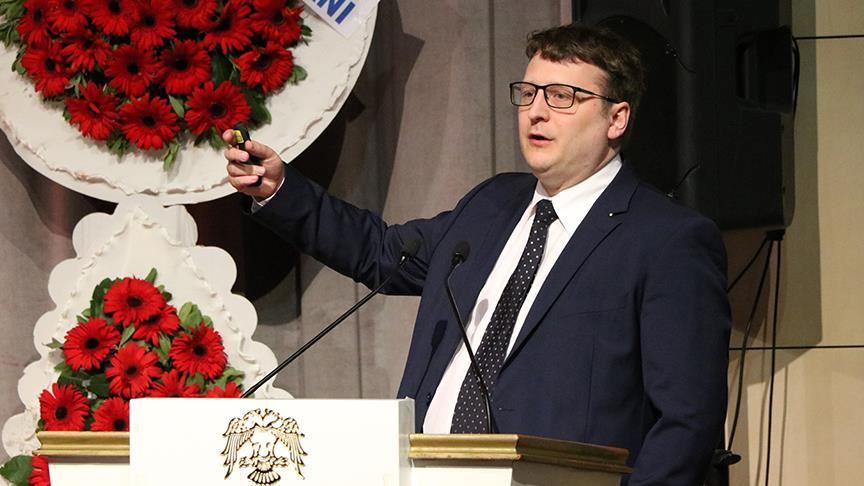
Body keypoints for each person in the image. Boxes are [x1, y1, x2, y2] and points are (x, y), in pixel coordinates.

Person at [224, 23, 730, 486]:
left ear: (616, 118)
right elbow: (381, 252)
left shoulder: (667, 240)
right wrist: (279, 189)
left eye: (562, 97)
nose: (536, 111)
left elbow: (687, 420)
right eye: (528, 92)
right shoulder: (491, 205)